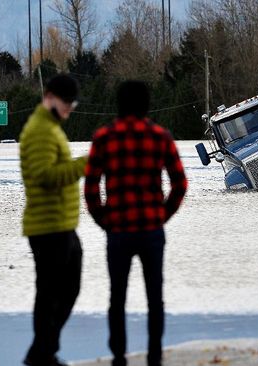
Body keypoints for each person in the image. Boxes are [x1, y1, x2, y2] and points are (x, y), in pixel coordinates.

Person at [84, 80, 188, 366]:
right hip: (151, 230)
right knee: (155, 296)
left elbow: (91, 188)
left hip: (118, 230)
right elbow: (179, 184)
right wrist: (161, 216)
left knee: (117, 297)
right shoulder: (160, 136)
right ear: (146, 104)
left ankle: (119, 355)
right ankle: (154, 354)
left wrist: (104, 220)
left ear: (119, 104)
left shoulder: (104, 137)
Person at [19, 74, 87, 366]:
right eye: (66, 103)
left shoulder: (51, 128)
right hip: (47, 227)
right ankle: (42, 353)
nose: (69, 109)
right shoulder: (40, 131)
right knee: (50, 292)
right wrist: (87, 163)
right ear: (49, 98)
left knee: (67, 287)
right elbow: (45, 176)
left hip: (61, 224)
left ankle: (44, 349)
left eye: (72, 104)